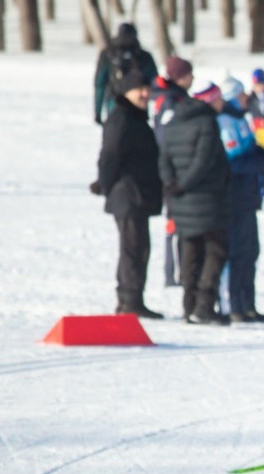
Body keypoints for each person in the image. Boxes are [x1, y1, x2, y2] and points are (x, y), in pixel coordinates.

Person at [91, 70, 164, 319]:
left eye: (147, 88)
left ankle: (134, 299)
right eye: (139, 89)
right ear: (126, 91)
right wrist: (105, 183)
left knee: (139, 248)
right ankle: (129, 300)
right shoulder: (121, 118)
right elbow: (110, 154)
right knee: (133, 249)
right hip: (128, 195)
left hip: (137, 194)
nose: (145, 94)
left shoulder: (135, 117)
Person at [159, 81, 232, 325]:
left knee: (189, 253)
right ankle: (203, 306)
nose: (222, 103)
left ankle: (188, 305)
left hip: (180, 200)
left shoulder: (173, 121)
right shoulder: (207, 123)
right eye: (218, 98)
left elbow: (164, 158)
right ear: (208, 100)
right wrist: (185, 184)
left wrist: (172, 184)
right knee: (216, 251)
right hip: (206, 199)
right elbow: (204, 160)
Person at [217, 75, 264, 323]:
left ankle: (248, 304)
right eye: (241, 95)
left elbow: (250, 151)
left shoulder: (241, 119)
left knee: (251, 251)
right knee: (237, 252)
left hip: (248, 198)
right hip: (233, 199)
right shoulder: (225, 121)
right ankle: (234, 305)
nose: (246, 99)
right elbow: (234, 162)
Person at [150, 55, 195, 288]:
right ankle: (173, 272)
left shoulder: (168, 96)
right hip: (172, 168)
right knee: (175, 222)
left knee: (176, 221)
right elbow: (165, 136)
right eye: (189, 75)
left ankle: (177, 271)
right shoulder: (169, 100)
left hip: (170, 166)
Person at [92, 22, 158, 126]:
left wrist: (97, 112)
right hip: (139, 104)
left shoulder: (108, 54)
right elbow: (155, 83)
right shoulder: (144, 56)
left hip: (114, 103)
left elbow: (99, 84)